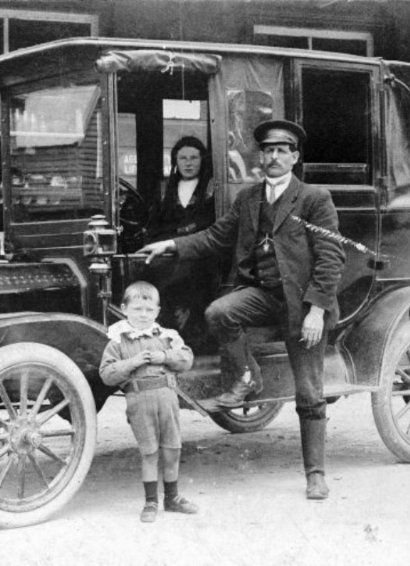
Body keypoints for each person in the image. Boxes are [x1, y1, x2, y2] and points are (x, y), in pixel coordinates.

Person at [138, 120, 346, 500]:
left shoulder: (314, 198)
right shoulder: (249, 198)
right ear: (260, 158)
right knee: (220, 312)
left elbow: (331, 258)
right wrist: (170, 245)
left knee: (308, 392)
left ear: (295, 157)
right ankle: (248, 377)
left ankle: (315, 474)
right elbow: (215, 237)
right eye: (268, 151)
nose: (274, 157)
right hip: (264, 296)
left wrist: (317, 311)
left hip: (303, 306)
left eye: (282, 151)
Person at [99, 281, 199, 522]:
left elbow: (187, 359)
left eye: (148, 310)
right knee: (149, 452)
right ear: (124, 309)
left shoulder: (166, 337)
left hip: (167, 400)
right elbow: (106, 374)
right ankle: (151, 501)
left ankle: (172, 498)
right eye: (137, 309)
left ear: (157, 311)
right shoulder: (118, 341)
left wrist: (163, 356)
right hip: (140, 402)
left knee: (172, 450)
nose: (143, 315)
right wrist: (131, 363)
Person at [144, 136, 216, 351]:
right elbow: (154, 227)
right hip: (168, 255)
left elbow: (210, 225)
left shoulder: (212, 188)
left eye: (194, 158)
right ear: (175, 161)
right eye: (183, 158)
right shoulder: (164, 189)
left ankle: (194, 334)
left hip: (201, 255)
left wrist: (182, 236)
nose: (188, 163)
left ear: (202, 160)